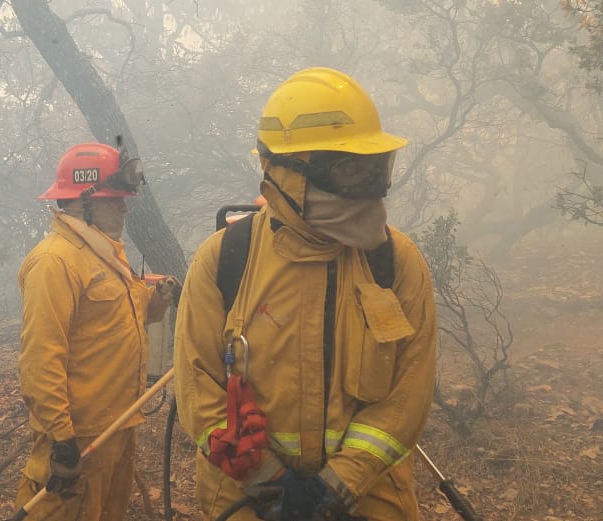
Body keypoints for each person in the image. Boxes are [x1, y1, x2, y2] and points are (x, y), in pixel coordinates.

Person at [174, 67, 437, 521]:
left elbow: (408, 392)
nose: (370, 186)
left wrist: (339, 484)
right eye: (350, 170)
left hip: (367, 499)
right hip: (248, 500)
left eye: (374, 169)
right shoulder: (223, 261)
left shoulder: (395, 262)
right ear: (287, 175)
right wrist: (267, 480)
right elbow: (198, 389)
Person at [15, 142, 179, 521]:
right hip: (80, 435)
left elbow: (120, 317)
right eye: (114, 199)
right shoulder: (55, 261)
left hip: (118, 423)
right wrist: (62, 439)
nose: (124, 208)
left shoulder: (105, 254)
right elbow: (41, 359)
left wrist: (157, 299)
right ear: (82, 201)